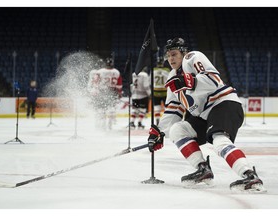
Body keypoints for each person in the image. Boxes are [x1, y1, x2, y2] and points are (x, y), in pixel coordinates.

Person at [147, 37, 266, 193]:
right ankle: (203, 169)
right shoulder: (171, 77)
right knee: (177, 129)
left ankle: (249, 174)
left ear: (184, 52)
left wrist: (189, 81)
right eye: (168, 55)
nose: (171, 58)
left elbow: (213, 80)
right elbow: (173, 108)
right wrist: (159, 132)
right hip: (204, 114)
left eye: (174, 54)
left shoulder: (193, 57)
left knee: (219, 140)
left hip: (223, 104)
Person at [96, 57, 122, 130]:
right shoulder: (116, 72)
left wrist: (96, 90)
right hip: (113, 91)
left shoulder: (100, 71)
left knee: (102, 109)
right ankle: (110, 124)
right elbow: (119, 85)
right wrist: (119, 93)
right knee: (111, 108)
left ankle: (102, 124)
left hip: (102, 92)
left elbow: (95, 82)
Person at [152, 57, 170, 125]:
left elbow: (150, 81)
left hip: (156, 91)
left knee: (157, 107)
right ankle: (166, 120)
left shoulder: (153, 70)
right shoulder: (167, 70)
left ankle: (157, 120)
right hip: (165, 91)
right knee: (167, 108)